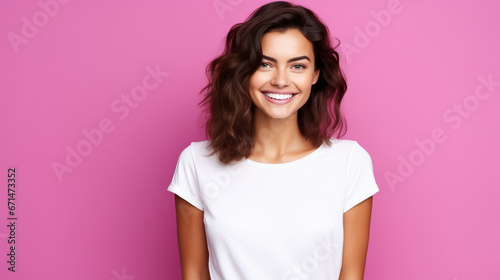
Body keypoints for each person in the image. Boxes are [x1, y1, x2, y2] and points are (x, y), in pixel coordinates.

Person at [167, 1, 379, 279]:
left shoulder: (350, 163)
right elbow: (194, 274)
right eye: (265, 64)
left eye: (297, 66)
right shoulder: (196, 163)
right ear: (245, 72)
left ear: (315, 75)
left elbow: (351, 274)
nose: (281, 80)